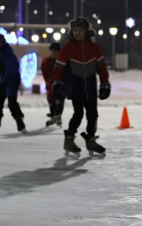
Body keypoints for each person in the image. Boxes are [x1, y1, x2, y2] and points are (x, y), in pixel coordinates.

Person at [52, 17, 110, 157]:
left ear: (86, 32)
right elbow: (58, 68)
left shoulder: (94, 48)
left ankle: (90, 139)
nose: (77, 33)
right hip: (75, 86)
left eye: (80, 30)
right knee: (78, 114)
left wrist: (105, 83)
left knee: (93, 114)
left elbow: (102, 68)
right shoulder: (67, 49)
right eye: (75, 30)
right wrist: (58, 83)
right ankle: (69, 139)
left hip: (90, 85)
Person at [0, 34, 27, 133]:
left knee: (11, 103)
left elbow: (11, 69)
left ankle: (20, 123)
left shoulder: (6, 53)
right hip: (3, 81)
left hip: (10, 81)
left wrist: (3, 79)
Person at [41, 42, 63, 126]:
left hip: (60, 84)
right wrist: (49, 81)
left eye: (56, 51)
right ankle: (54, 115)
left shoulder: (61, 61)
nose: (53, 52)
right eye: (52, 50)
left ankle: (57, 116)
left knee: (59, 99)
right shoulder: (46, 61)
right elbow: (45, 73)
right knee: (51, 99)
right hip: (50, 84)